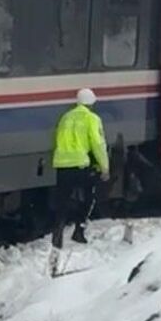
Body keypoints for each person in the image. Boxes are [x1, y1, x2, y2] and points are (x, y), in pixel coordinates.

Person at [50, 88, 110, 247]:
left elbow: (56, 139)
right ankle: (79, 230)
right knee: (89, 197)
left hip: (62, 165)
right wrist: (104, 168)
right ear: (91, 103)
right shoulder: (91, 118)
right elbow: (98, 144)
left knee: (62, 200)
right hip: (80, 164)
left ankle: (57, 233)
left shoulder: (65, 117)